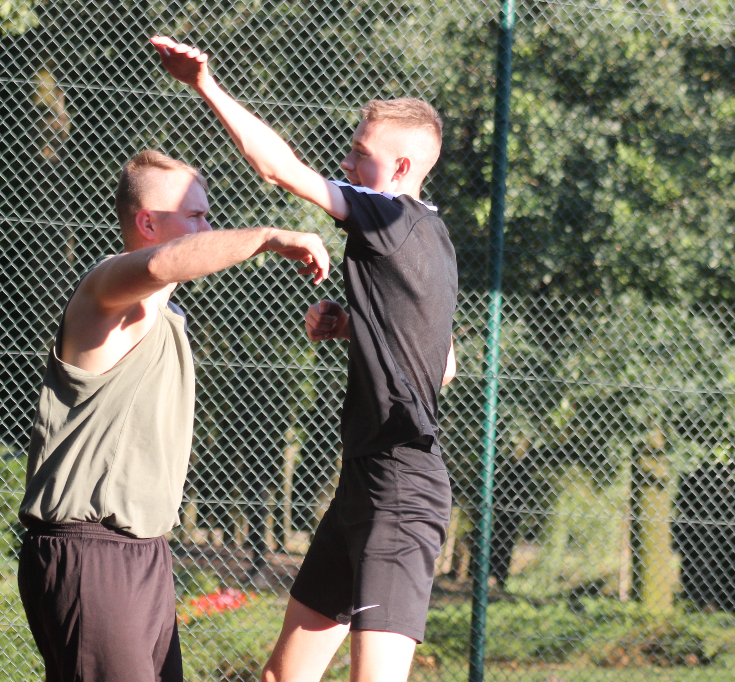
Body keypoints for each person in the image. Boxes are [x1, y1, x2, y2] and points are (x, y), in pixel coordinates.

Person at [150, 37, 459, 682]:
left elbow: (280, 170)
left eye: (359, 154)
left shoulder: (389, 217)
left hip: (402, 494)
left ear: (401, 169)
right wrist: (357, 329)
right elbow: (444, 364)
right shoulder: (432, 237)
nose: (346, 161)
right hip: (364, 484)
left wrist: (205, 85)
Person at [17, 149, 330, 682]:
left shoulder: (168, 314)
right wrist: (269, 237)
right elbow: (164, 262)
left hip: (145, 556)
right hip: (90, 550)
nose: (208, 227)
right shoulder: (105, 293)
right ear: (147, 222)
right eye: (195, 216)